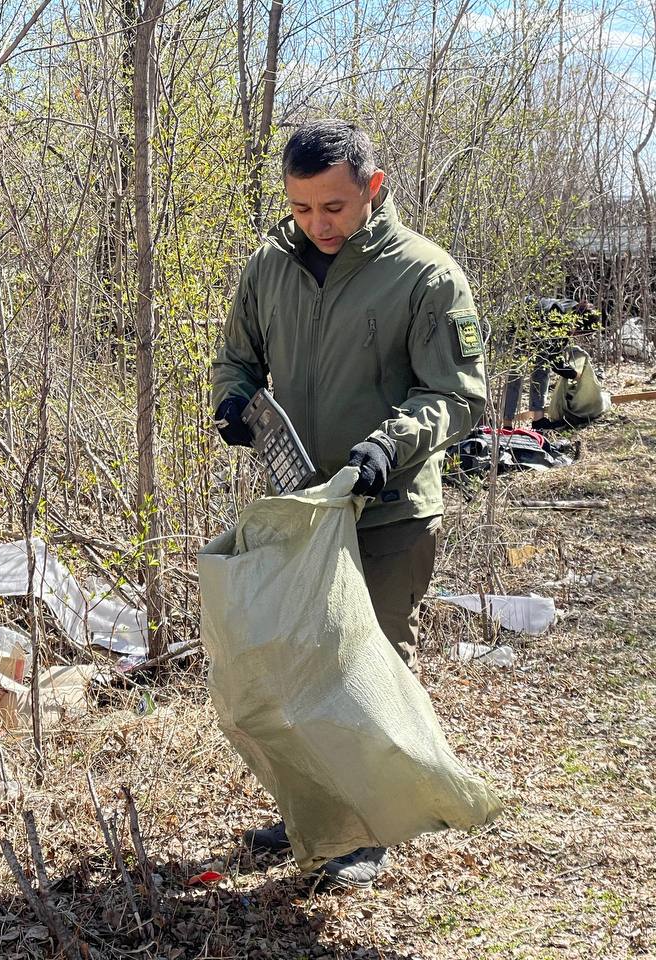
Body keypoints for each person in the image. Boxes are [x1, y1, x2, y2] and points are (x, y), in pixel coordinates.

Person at [210, 119, 487, 889]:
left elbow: (457, 396)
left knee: (369, 668)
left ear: (373, 186)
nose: (316, 225)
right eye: (301, 209)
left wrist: (386, 448)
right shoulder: (270, 266)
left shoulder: (427, 275)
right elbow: (237, 358)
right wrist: (232, 403)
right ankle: (317, 809)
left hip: (390, 511)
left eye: (332, 207)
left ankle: (368, 832)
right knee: (299, 668)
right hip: (301, 510)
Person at [499, 298, 604, 430]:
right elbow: (555, 361)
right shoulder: (559, 318)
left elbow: (552, 355)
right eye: (578, 332)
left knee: (542, 371)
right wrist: (576, 375)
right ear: (577, 321)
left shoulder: (572, 309)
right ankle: (507, 424)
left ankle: (539, 420)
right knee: (515, 376)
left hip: (540, 332)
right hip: (517, 328)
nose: (575, 335)